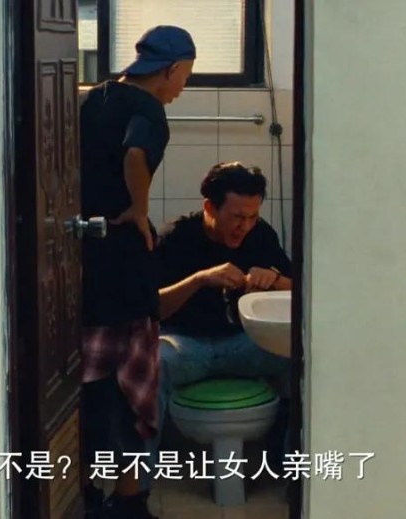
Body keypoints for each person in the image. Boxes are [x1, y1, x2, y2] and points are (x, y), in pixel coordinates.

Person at [78, 25, 195, 519]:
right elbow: (134, 154)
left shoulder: (94, 96)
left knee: (90, 386)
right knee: (131, 385)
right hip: (125, 265)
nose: (182, 87)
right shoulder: (148, 108)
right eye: (185, 76)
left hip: (82, 257)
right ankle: (128, 501)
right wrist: (140, 210)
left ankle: (85, 494)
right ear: (171, 68)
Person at [151, 161, 292, 478]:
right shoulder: (175, 237)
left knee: (299, 356)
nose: (245, 226)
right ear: (210, 208)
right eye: (237, 217)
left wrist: (274, 278)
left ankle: (288, 467)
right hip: (186, 346)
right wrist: (198, 280)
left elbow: (301, 292)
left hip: (243, 346)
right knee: (150, 367)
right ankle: (141, 481)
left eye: (252, 217)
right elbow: (152, 308)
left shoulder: (261, 235)